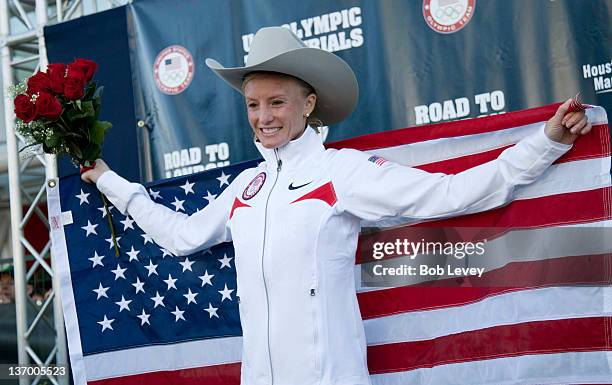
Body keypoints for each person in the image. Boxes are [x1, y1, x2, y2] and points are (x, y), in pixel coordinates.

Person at [81, 27, 591, 385]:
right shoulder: (246, 187)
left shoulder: (341, 171)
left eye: (277, 102)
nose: (263, 117)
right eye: (254, 104)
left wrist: (544, 144)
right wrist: (109, 181)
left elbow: (451, 194)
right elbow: (182, 237)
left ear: (308, 104)